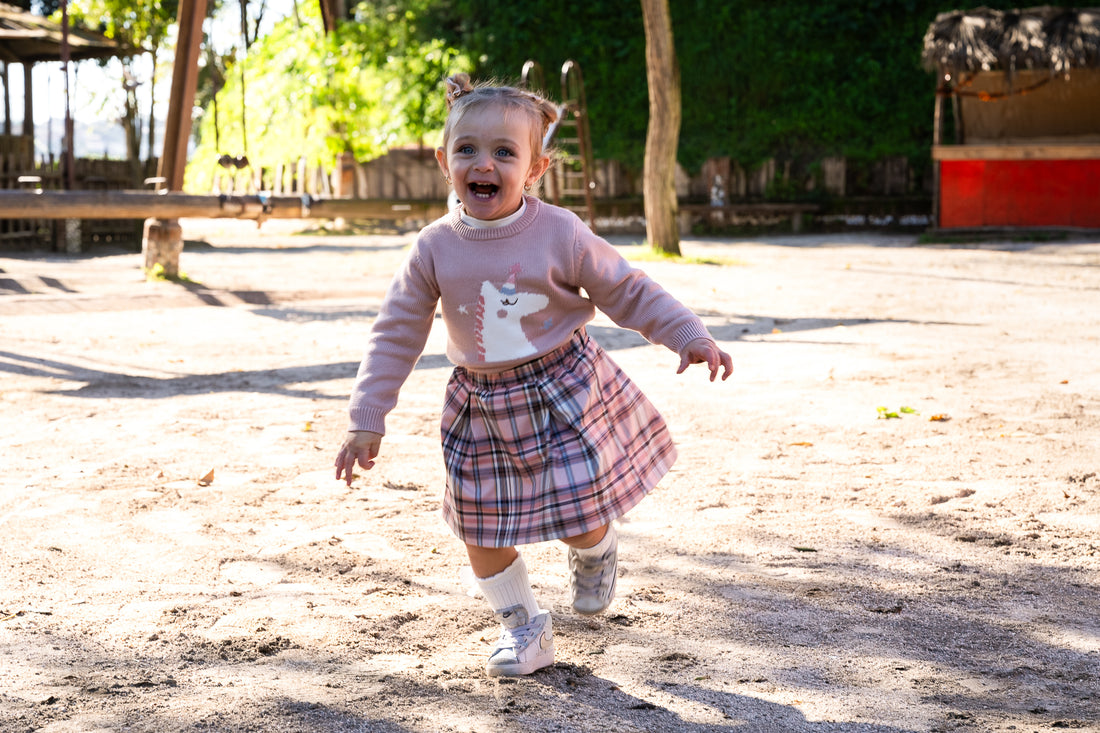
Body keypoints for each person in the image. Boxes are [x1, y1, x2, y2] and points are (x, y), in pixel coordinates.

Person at [335, 73, 732, 678]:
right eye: (466, 149)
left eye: (503, 152)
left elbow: (625, 288)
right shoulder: (433, 247)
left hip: (562, 388)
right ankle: (525, 630)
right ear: (445, 162)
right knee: (479, 526)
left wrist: (687, 333)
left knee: (579, 510)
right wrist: (367, 419)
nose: (482, 163)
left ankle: (596, 551)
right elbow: (396, 331)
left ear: (536, 167)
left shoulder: (560, 232)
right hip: (479, 404)